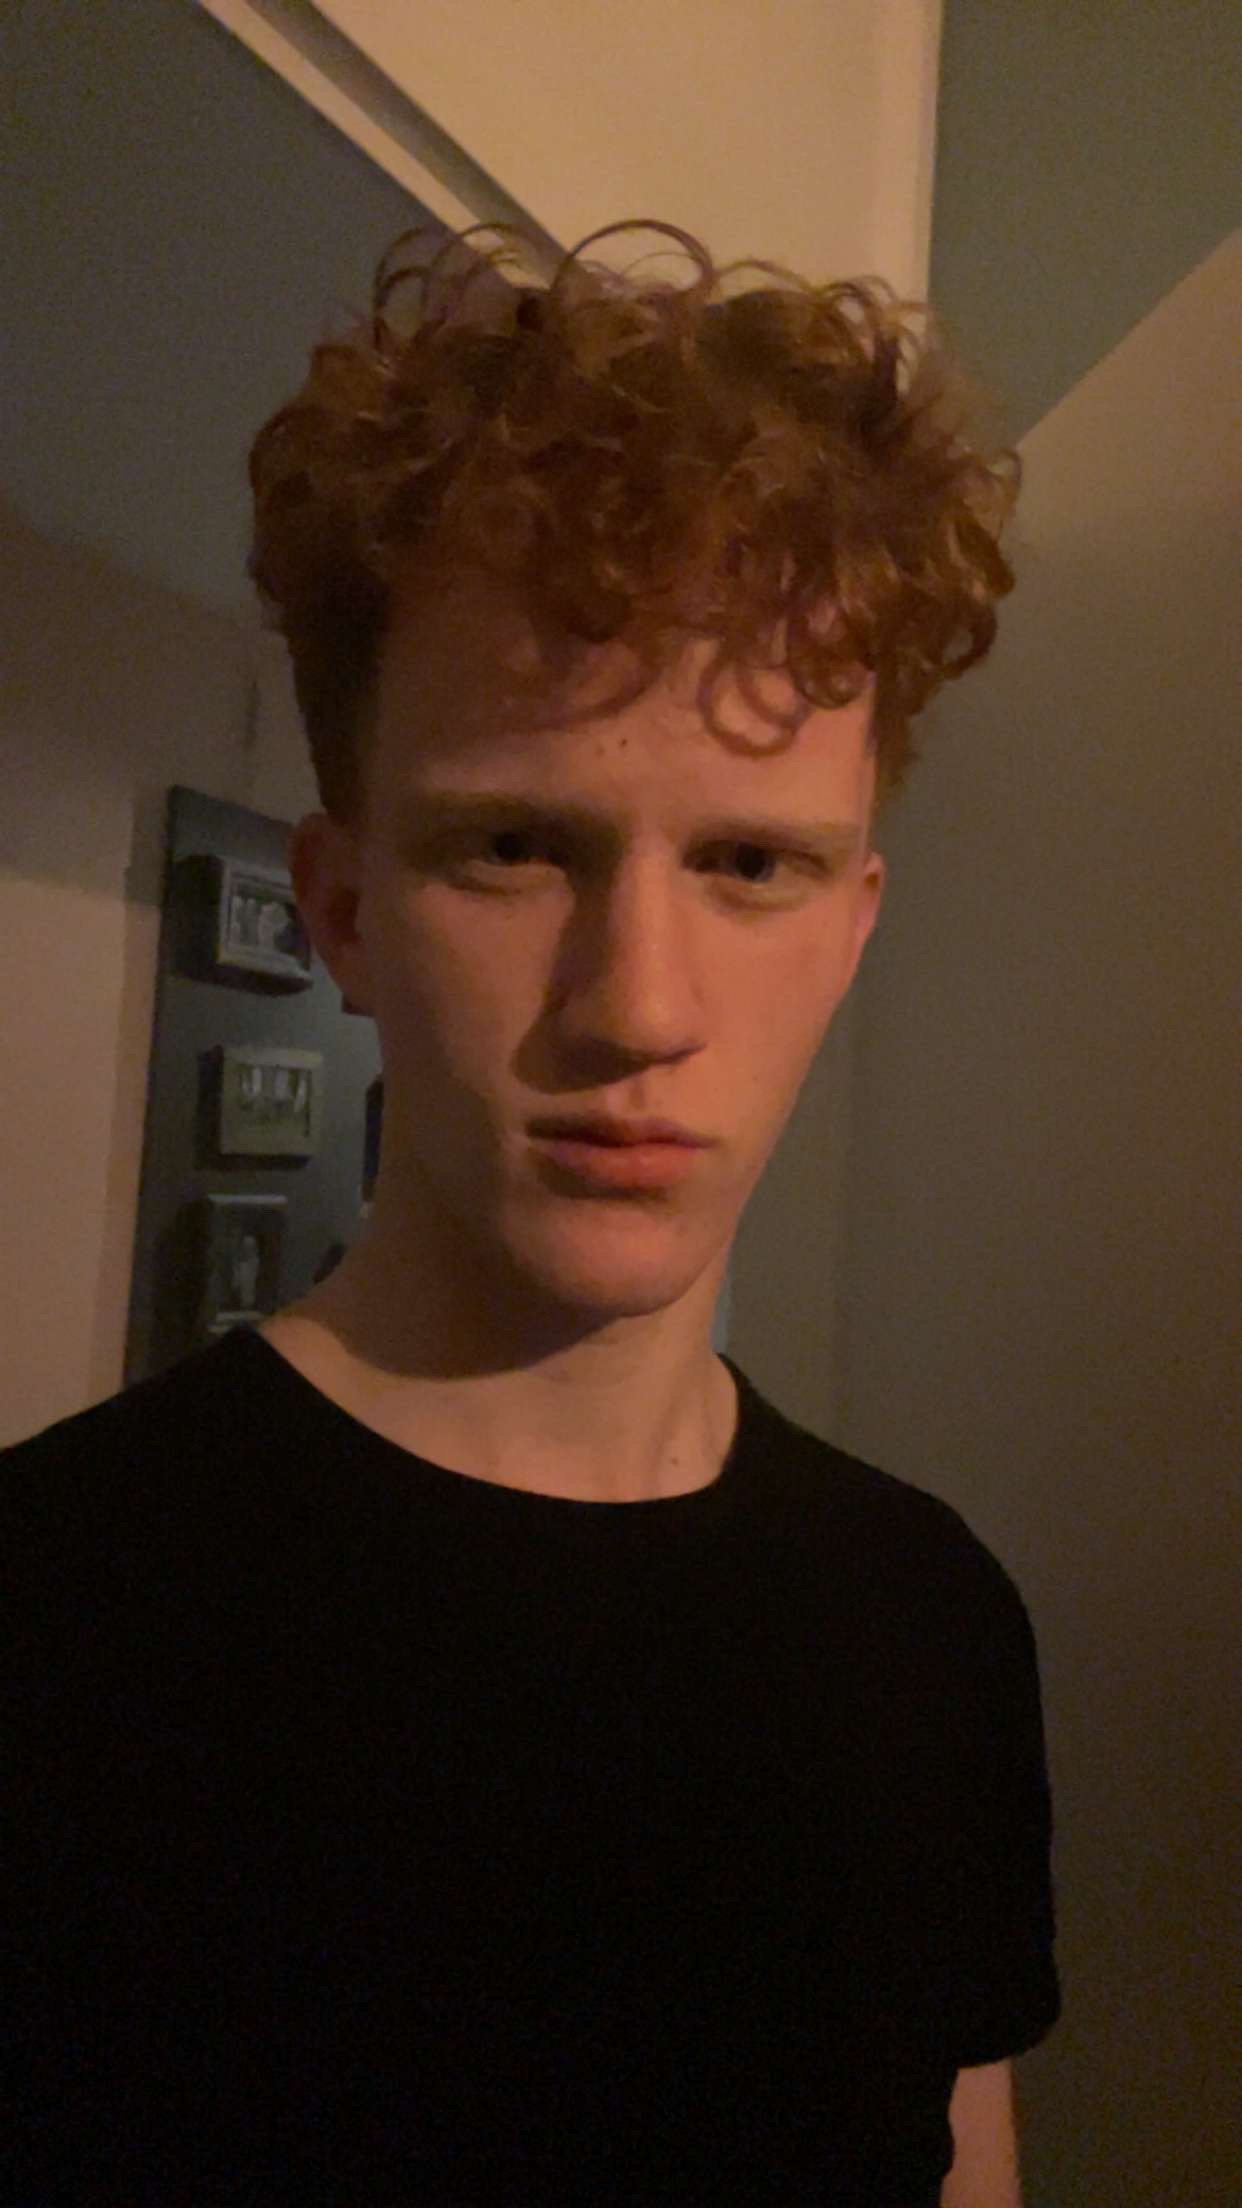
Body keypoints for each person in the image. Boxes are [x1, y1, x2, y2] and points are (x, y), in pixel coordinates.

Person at [3, 223, 1059, 2204]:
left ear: (850, 931)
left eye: (749, 865)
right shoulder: (45, 1622)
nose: (637, 1009)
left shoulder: (932, 1623)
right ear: (341, 912)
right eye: (512, 846)